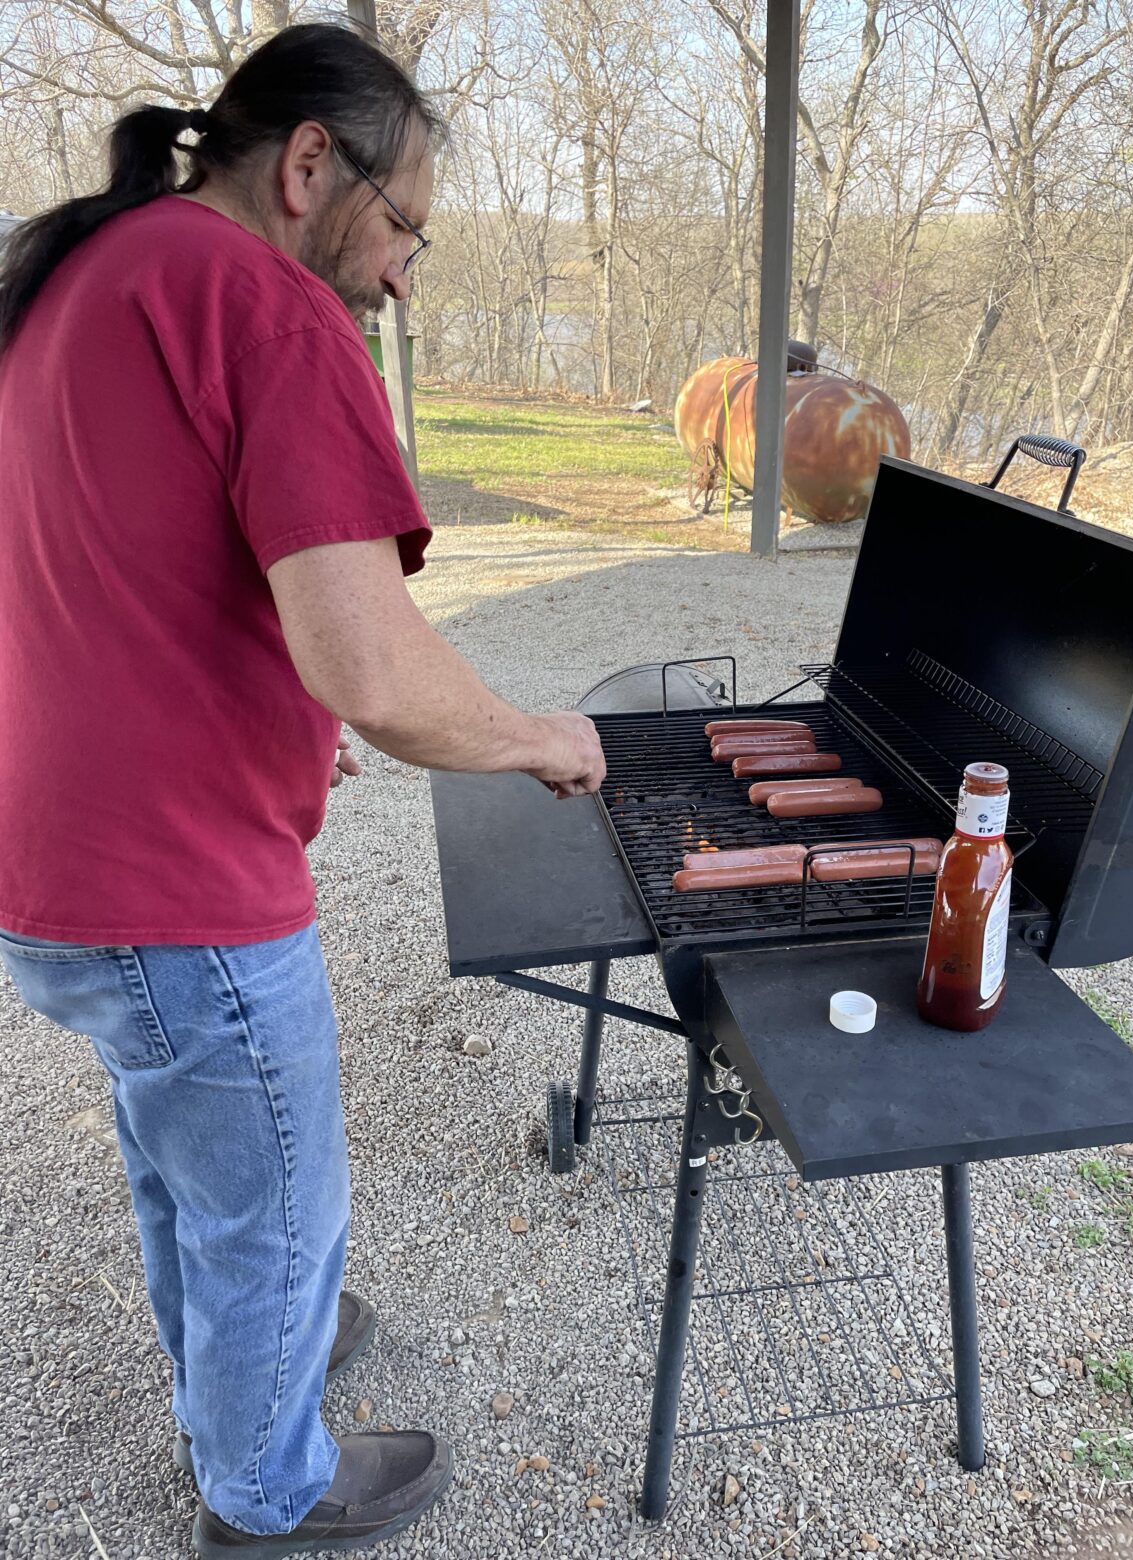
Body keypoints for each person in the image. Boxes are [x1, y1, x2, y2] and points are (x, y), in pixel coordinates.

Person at [0, 22, 605, 1559]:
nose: (403, 271)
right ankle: (265, 1490)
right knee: (273, 1205)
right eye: (403, 226)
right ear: (311, 166)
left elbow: (137, 567)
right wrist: (538, 735)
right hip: (175, 880)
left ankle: (243, 1369)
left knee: (182, 1157)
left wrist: (255, 701)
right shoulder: (266, 306)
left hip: (49, 854)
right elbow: (376, 670)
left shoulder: (93, 266)